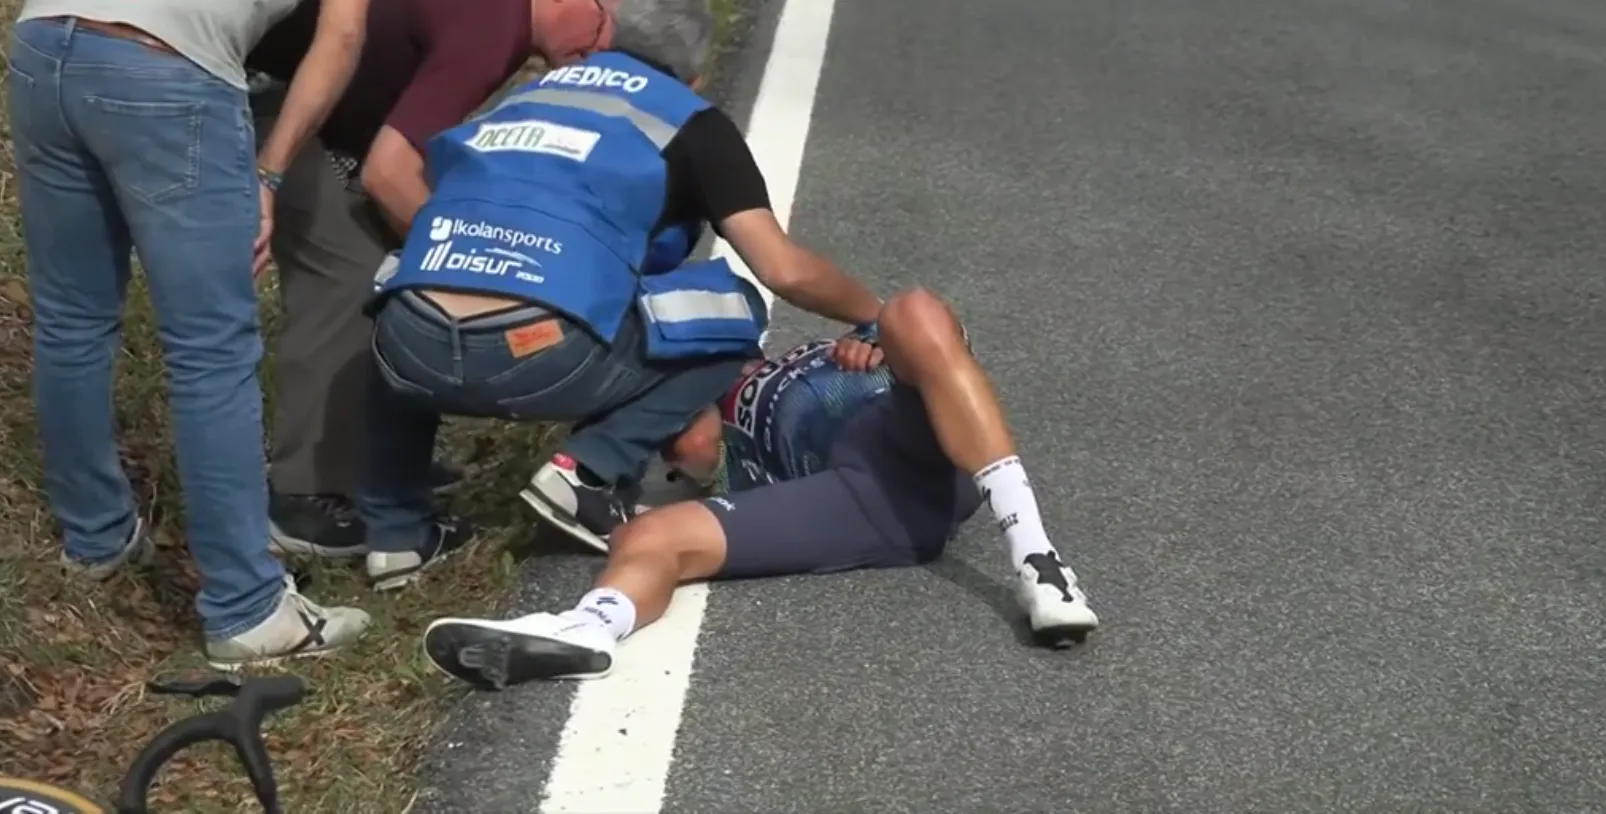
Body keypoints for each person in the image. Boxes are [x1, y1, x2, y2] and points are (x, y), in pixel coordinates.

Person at [356, 0, 884, 591]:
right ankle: (586, 472)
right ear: (695, 75)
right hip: (541, 350)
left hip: (409, 344)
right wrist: (878, 315)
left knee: (407, 291)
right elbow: (784, 270)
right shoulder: (689, 118)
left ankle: (395, 534)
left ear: (602, 37)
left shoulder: (528, 95)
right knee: (735, 310)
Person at [421, 287, 1102, 688]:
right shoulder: (699, 411)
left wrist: (876, 342)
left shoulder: (784, 356)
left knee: (915, 313)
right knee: (648, 536)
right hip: (866, 499)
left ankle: (1038, 560)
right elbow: (684, 461)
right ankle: (590, 629)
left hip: (914, 429)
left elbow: (918, 340)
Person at [8, 0, 372, 667]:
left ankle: (96, 538)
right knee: (212, 348)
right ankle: (247, 606)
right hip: (164, 70)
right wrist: (270, 171)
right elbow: (343, 33)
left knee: (73, 319)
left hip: (42, 44)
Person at [242, 0, 621, 558]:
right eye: (601, 29)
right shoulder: (497, 26)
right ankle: (304, 498)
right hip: (282, 105)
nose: (597, 53)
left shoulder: (503, 25)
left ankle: (376, 466)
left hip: (314, 106)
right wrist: (464, 258)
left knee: (394, 272)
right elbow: (388, 170)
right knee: (348, 279)